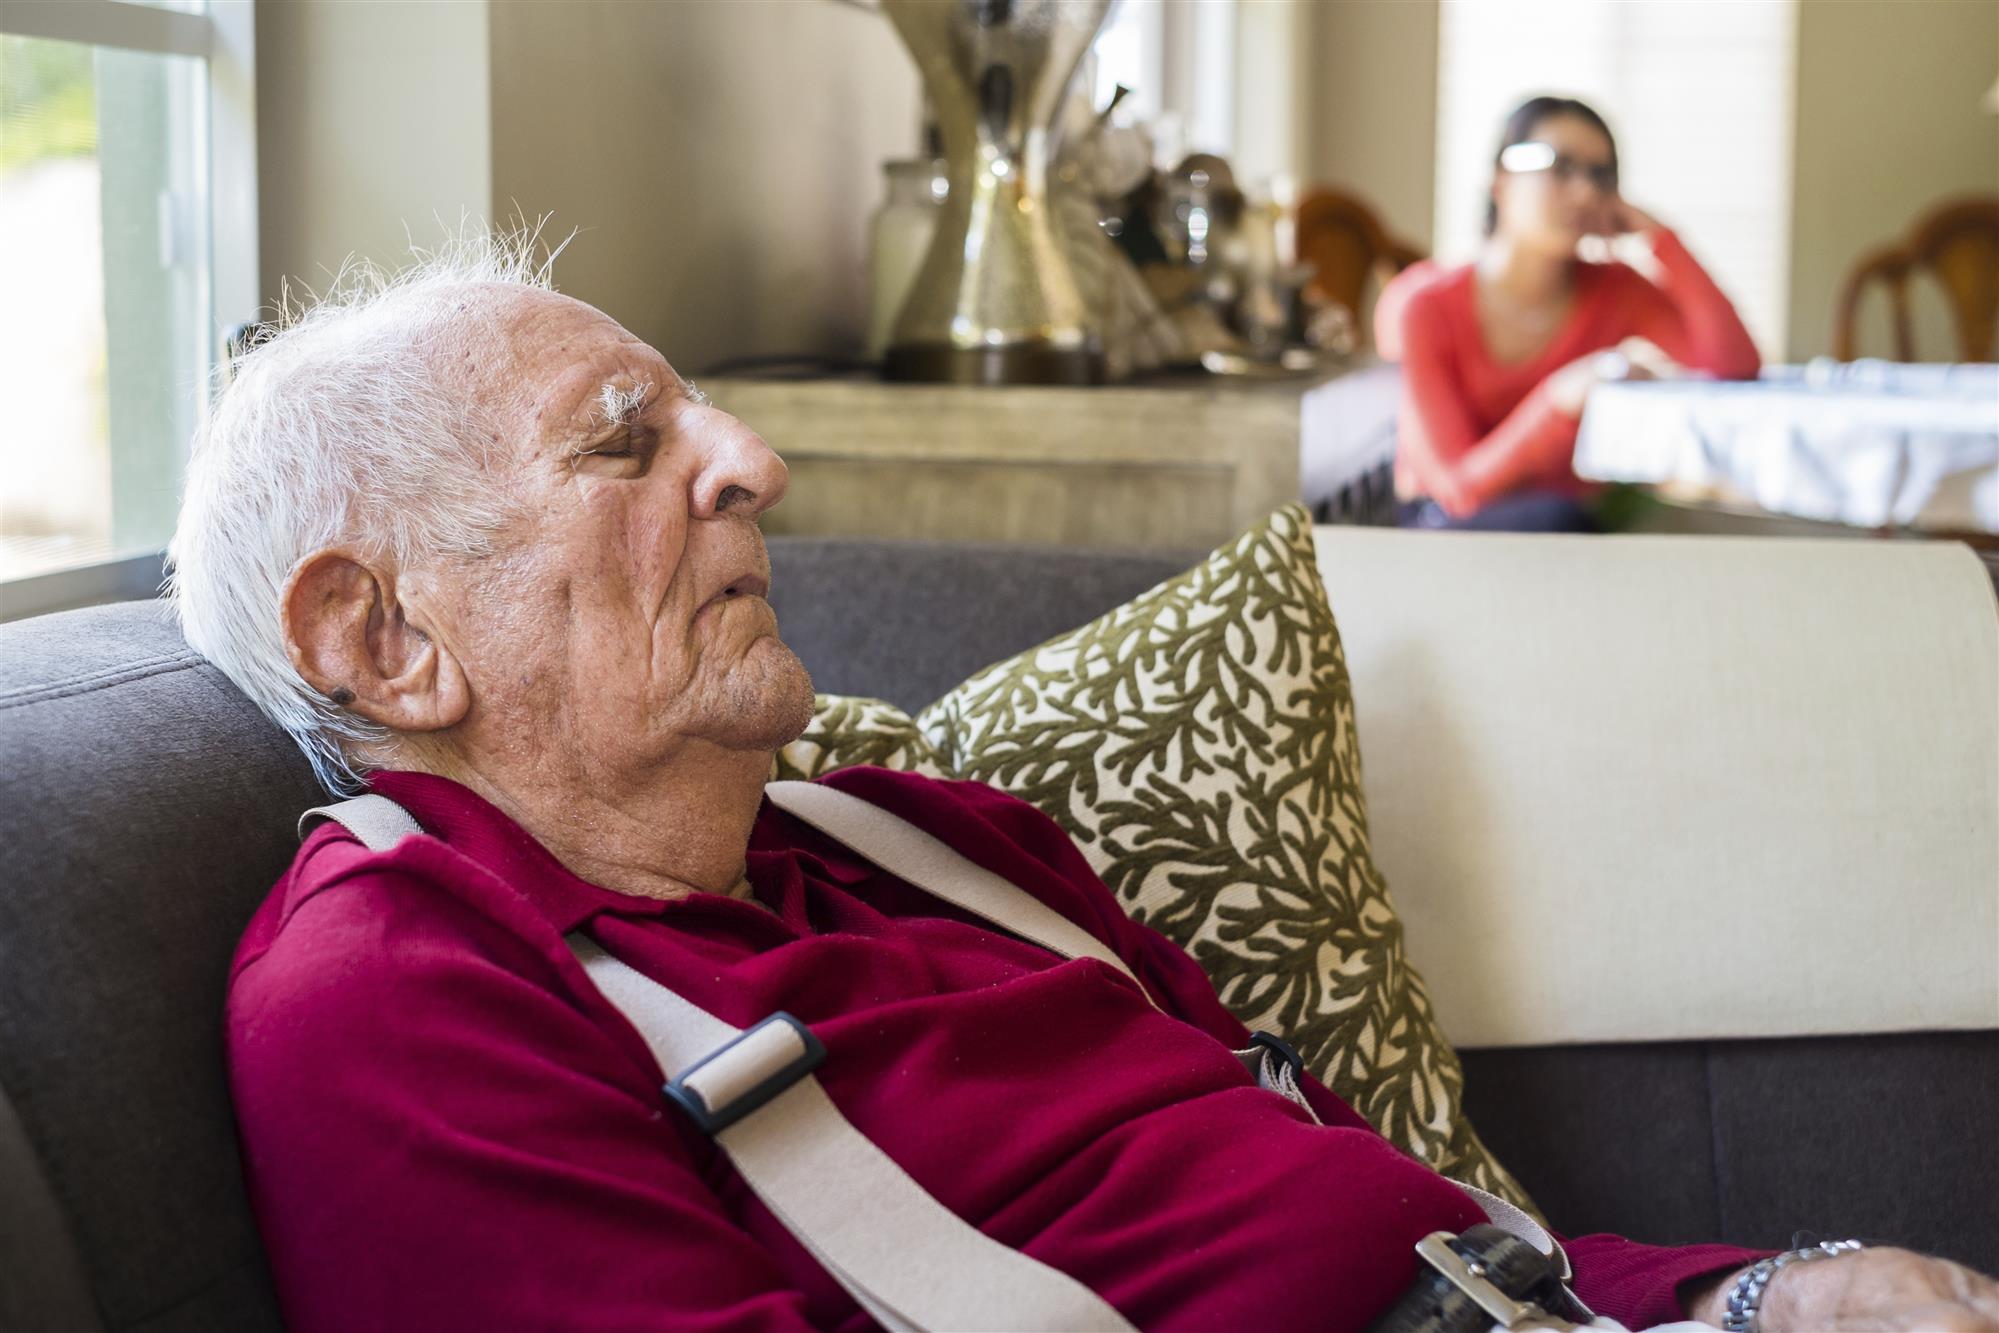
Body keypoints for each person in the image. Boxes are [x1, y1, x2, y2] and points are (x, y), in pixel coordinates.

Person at [170, 239, 1998, 1333]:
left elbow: (1400, 1216)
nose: (757, 460)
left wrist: (1740, 1290)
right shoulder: (400, 992)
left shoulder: (936, 844)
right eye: (627, 443)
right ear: (386, 640)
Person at [1377, 96, 1761, 532]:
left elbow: (1734, 367)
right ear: (1500, 180)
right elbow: (1457, 489)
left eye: (1601, 176)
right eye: (1559, 167)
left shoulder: (1616, 290)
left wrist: (1662, 238)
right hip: (1442, 528)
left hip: (1566, 530)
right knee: (1564, 519)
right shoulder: (1420, 305)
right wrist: (1560, 398)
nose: (1585, 191)